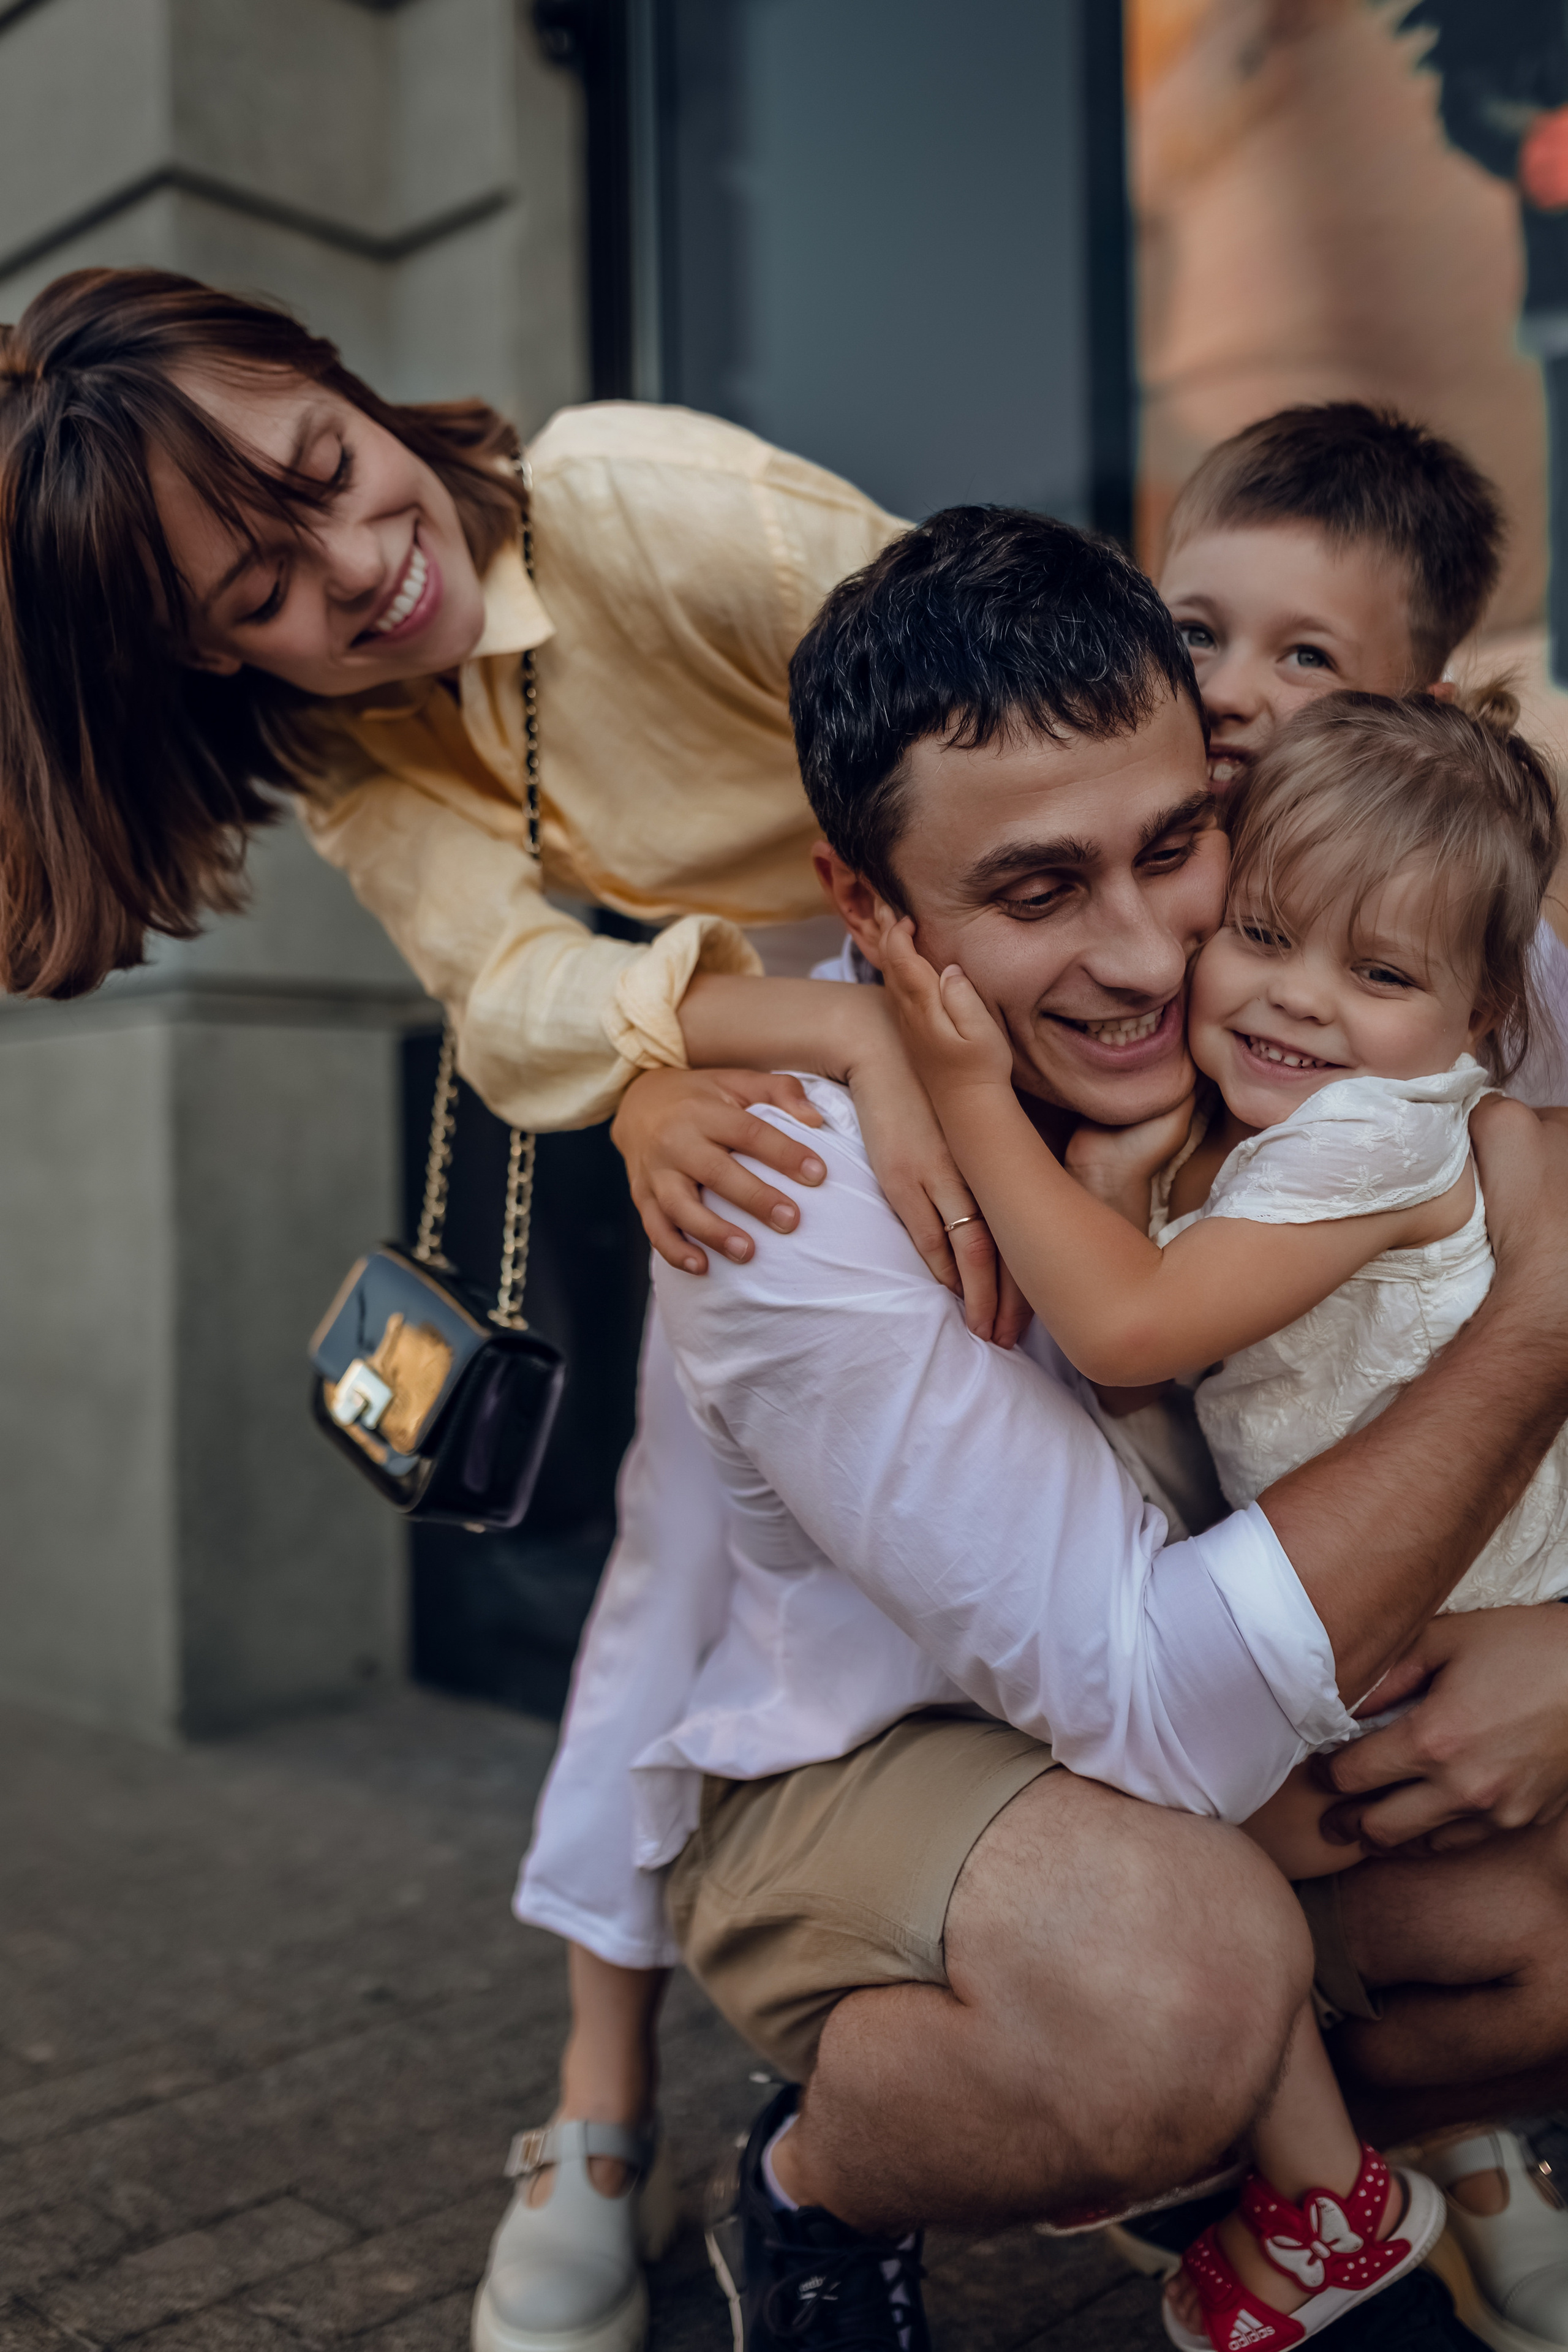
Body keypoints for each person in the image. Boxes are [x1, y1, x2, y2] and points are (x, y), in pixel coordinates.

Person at [0, 266, 1015, 2352]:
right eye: (252, 601)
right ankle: (599, 2115)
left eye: (323, 476)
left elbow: (998, 728)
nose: (354, 578)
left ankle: (1368, 2117)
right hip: (783, 1076)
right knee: (666, 1565)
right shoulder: (349, 744)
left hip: (996, 979)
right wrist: (711, 1050)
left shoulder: (637, 498)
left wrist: (856, 1032)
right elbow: (504, 985)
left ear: (340, 383)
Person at [545, 505, 1568, 2351]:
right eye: (1033, 895)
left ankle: (1185, 2165)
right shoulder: (782, 1192)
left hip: (1195, 1713)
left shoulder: (1298, 1014)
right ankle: (816, 2191)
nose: (1147, 955)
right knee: (1173, 1988)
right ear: (870, 911)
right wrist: (1547, 1319)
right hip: (868, 1761)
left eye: (1177, 849)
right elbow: (1157, 1714)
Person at [878, 682, 1564, 2349]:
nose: (1299, 1004)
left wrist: (961, 1085)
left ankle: (1301, 2188)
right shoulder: (1308, 1140)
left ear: (1481, 1014)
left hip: (1400, 1657)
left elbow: (1122, 1336)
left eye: (1380, 974)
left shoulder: (1373, 1140)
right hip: (1379, 1646)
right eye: (1264, 933)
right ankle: (1309, 2183)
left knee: (1162, 1852)